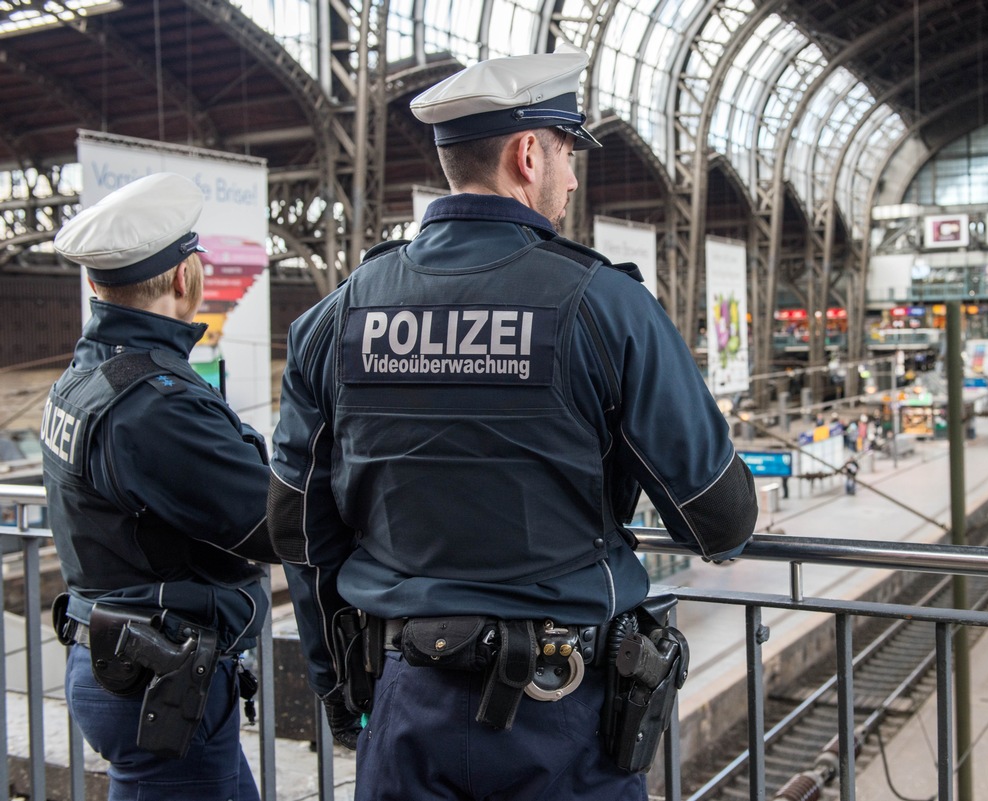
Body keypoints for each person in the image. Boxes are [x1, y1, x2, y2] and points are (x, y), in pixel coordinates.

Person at [268, 44, 759, 801]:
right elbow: (719, 519)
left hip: (405, 707)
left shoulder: (337, 318)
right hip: (563, 721)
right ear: (528, 154)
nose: (569, 177)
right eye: (567, 153)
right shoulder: (606, 306)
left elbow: (300, 528)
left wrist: (343, 692)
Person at [41, 172, 277, 801]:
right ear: (183, 278)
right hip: (161, 674)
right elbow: (274, 523)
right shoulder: (154, 406)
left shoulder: (86, 378)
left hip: (122, 656)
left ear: (96, 283)